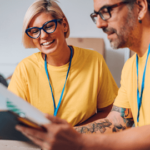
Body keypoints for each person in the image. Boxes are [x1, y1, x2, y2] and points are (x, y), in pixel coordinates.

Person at [16, 0, 150, 149]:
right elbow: (117, 121)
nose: (99, 24)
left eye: (106, 11)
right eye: (97, 15)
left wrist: (82, 143)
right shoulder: (131, 67)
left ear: (140, 7)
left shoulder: (94, 60)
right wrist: (63, 136)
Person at [8, 0, 118, 127]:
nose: (43, 36)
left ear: (64, 25)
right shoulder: (25, 68)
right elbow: (13, 119)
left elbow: (108, 112)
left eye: (49, 26)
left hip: (80, 143)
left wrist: (72, 135)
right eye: (34, 31)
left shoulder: (95, 61)